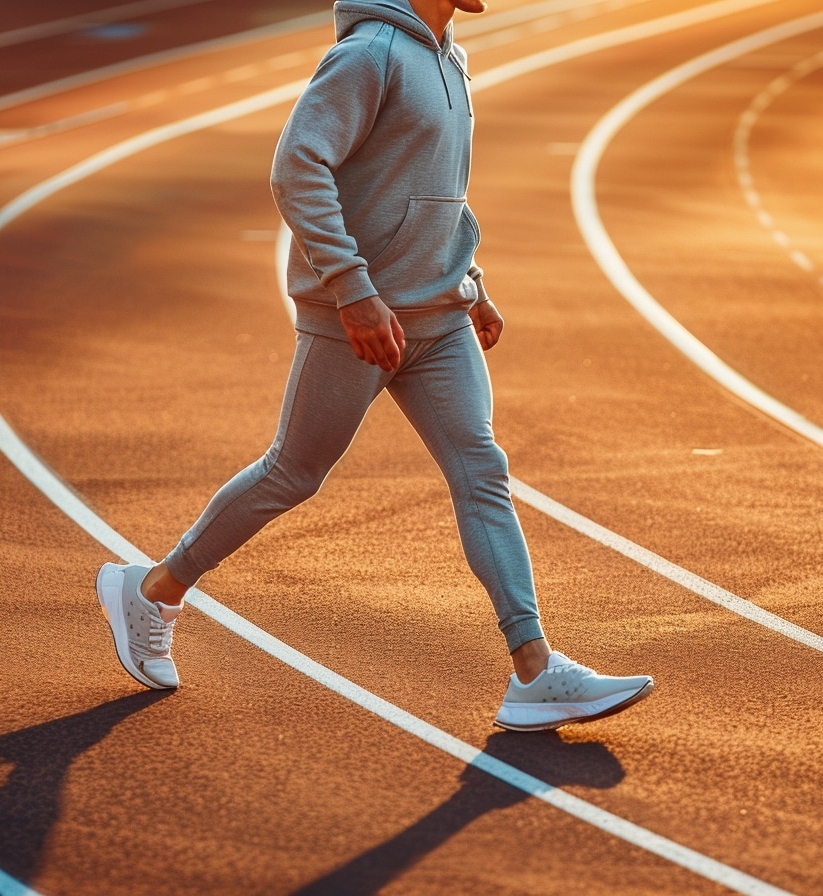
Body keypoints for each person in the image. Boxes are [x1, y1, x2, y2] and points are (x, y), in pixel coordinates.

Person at [95, 0, 654, 731]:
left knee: (481, 469)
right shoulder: (371, 55)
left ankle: (535, 670)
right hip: (358, 324)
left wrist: (474, 286)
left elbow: (437, 193)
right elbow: (297, 167)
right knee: (294, 474)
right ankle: (156, 590)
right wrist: (354, 294)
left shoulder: (451, 55)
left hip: (439, 318)